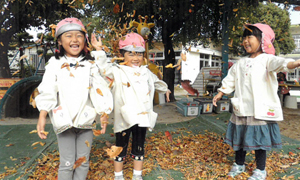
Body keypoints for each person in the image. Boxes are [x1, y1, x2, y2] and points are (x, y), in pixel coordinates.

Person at [212, 23, 300, 180]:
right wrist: (220, 93)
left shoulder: (267, 60)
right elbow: (230, 79)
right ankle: (239, 164)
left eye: (249, 37)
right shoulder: (240, 62)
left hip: (259, 110)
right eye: (244, 37)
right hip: (241, 108)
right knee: (239, 138)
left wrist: (296, 62)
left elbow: (282, 64)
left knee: (259, 141)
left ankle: (260, 169)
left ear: (263, 40)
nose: (245, 41)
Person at [35, 17, 113, 180]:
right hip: (65, 121)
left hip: (86, 120)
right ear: (59, 41)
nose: (74, 39)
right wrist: (42, 115)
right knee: (68, 162)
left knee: (82, 161)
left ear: (84, 40)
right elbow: (48, 89)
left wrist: (104, 113)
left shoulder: (90, 64)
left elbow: (100, 87)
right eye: (68, 35)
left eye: (78, 35)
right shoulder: (55, 64)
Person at [96, 32, 171, 180]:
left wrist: (165, 89)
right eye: (131, 54)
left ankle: (137, 175)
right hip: (124, 117)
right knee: (120, 147)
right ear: (122, 55)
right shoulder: (117, 70)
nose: (135, 58)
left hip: (142, 117)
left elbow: (155, 82)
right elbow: (104, 70)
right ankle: (118, 176)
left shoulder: (146, 71)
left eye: (139, 54)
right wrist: (99, 52)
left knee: (139, 146)